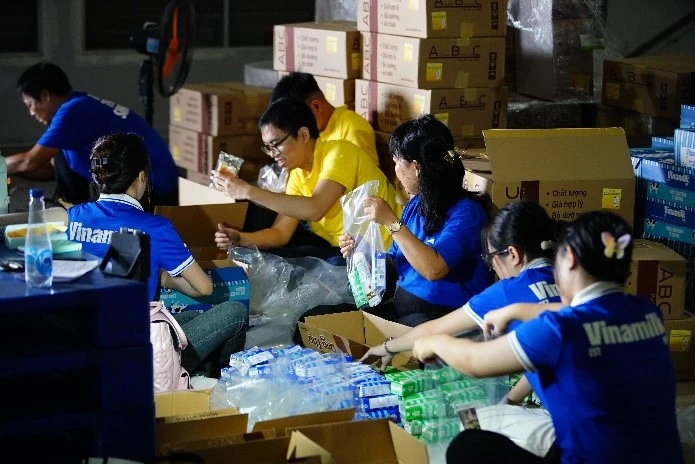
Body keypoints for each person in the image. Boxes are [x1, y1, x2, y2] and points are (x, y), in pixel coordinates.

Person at [412, 211, 684, 464]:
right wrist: (518, 310)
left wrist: (433, 342)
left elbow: (473, 361)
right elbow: (589, 311)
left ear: (570, 260)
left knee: (468, 445)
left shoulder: (558, 331)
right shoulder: (648, 314)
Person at [293, 115, 490, 344]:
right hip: (399, 313)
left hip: (439, 321)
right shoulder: (417, 205)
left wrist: (391, 223)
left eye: (397, 163)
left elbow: (434, 269)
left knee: (392, 345)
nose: (395, 170)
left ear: (415, 168)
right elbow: (396, 262)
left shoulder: (467, 213)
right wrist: (361, 253)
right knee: (310, 323)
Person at [68, 133, 247, 375]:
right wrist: (167, 279)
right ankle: (215, 379)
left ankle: (193, 372)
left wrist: (159, 278)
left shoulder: (74, 216)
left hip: (89, 342)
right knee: (234, 312)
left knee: (190, 317)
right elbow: (204, 288)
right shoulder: (154, 228)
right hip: (144, 355)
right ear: (141, 177)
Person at [360, 200, 564, 406]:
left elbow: (436, 331)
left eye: (490, 258)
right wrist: (509, 401)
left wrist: (386, 347)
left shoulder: (509, 291)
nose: (492, 267)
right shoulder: (567, 280)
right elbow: (539, 354)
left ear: (512, 254)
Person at [211, 97, 399, 260]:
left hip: (383, 252)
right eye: (268, 148)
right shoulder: (297, 175)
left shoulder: (340, 152)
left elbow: (315, 208)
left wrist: (247, 191)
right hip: (351, 252)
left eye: (276, 145)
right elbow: (281, 233)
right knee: (275, 256)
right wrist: (241, 238)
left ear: (303, 135)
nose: (272, 154)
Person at [7, 62, 179, 207]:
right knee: (60, 159)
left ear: (45, 96)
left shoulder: (73, 111)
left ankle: (77, 220)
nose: (31, 113)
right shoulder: (78, 104)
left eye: (30, 105)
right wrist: (8, 172)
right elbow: (52, 169)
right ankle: (73, 215)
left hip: (155, 191)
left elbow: (30, 162)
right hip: (145, 184)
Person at [271, 72, 379, 165]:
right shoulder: (310, 136)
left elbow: (367, 185)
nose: (294, 129)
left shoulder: (352, 130)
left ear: (316, 107)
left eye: (296, 121)